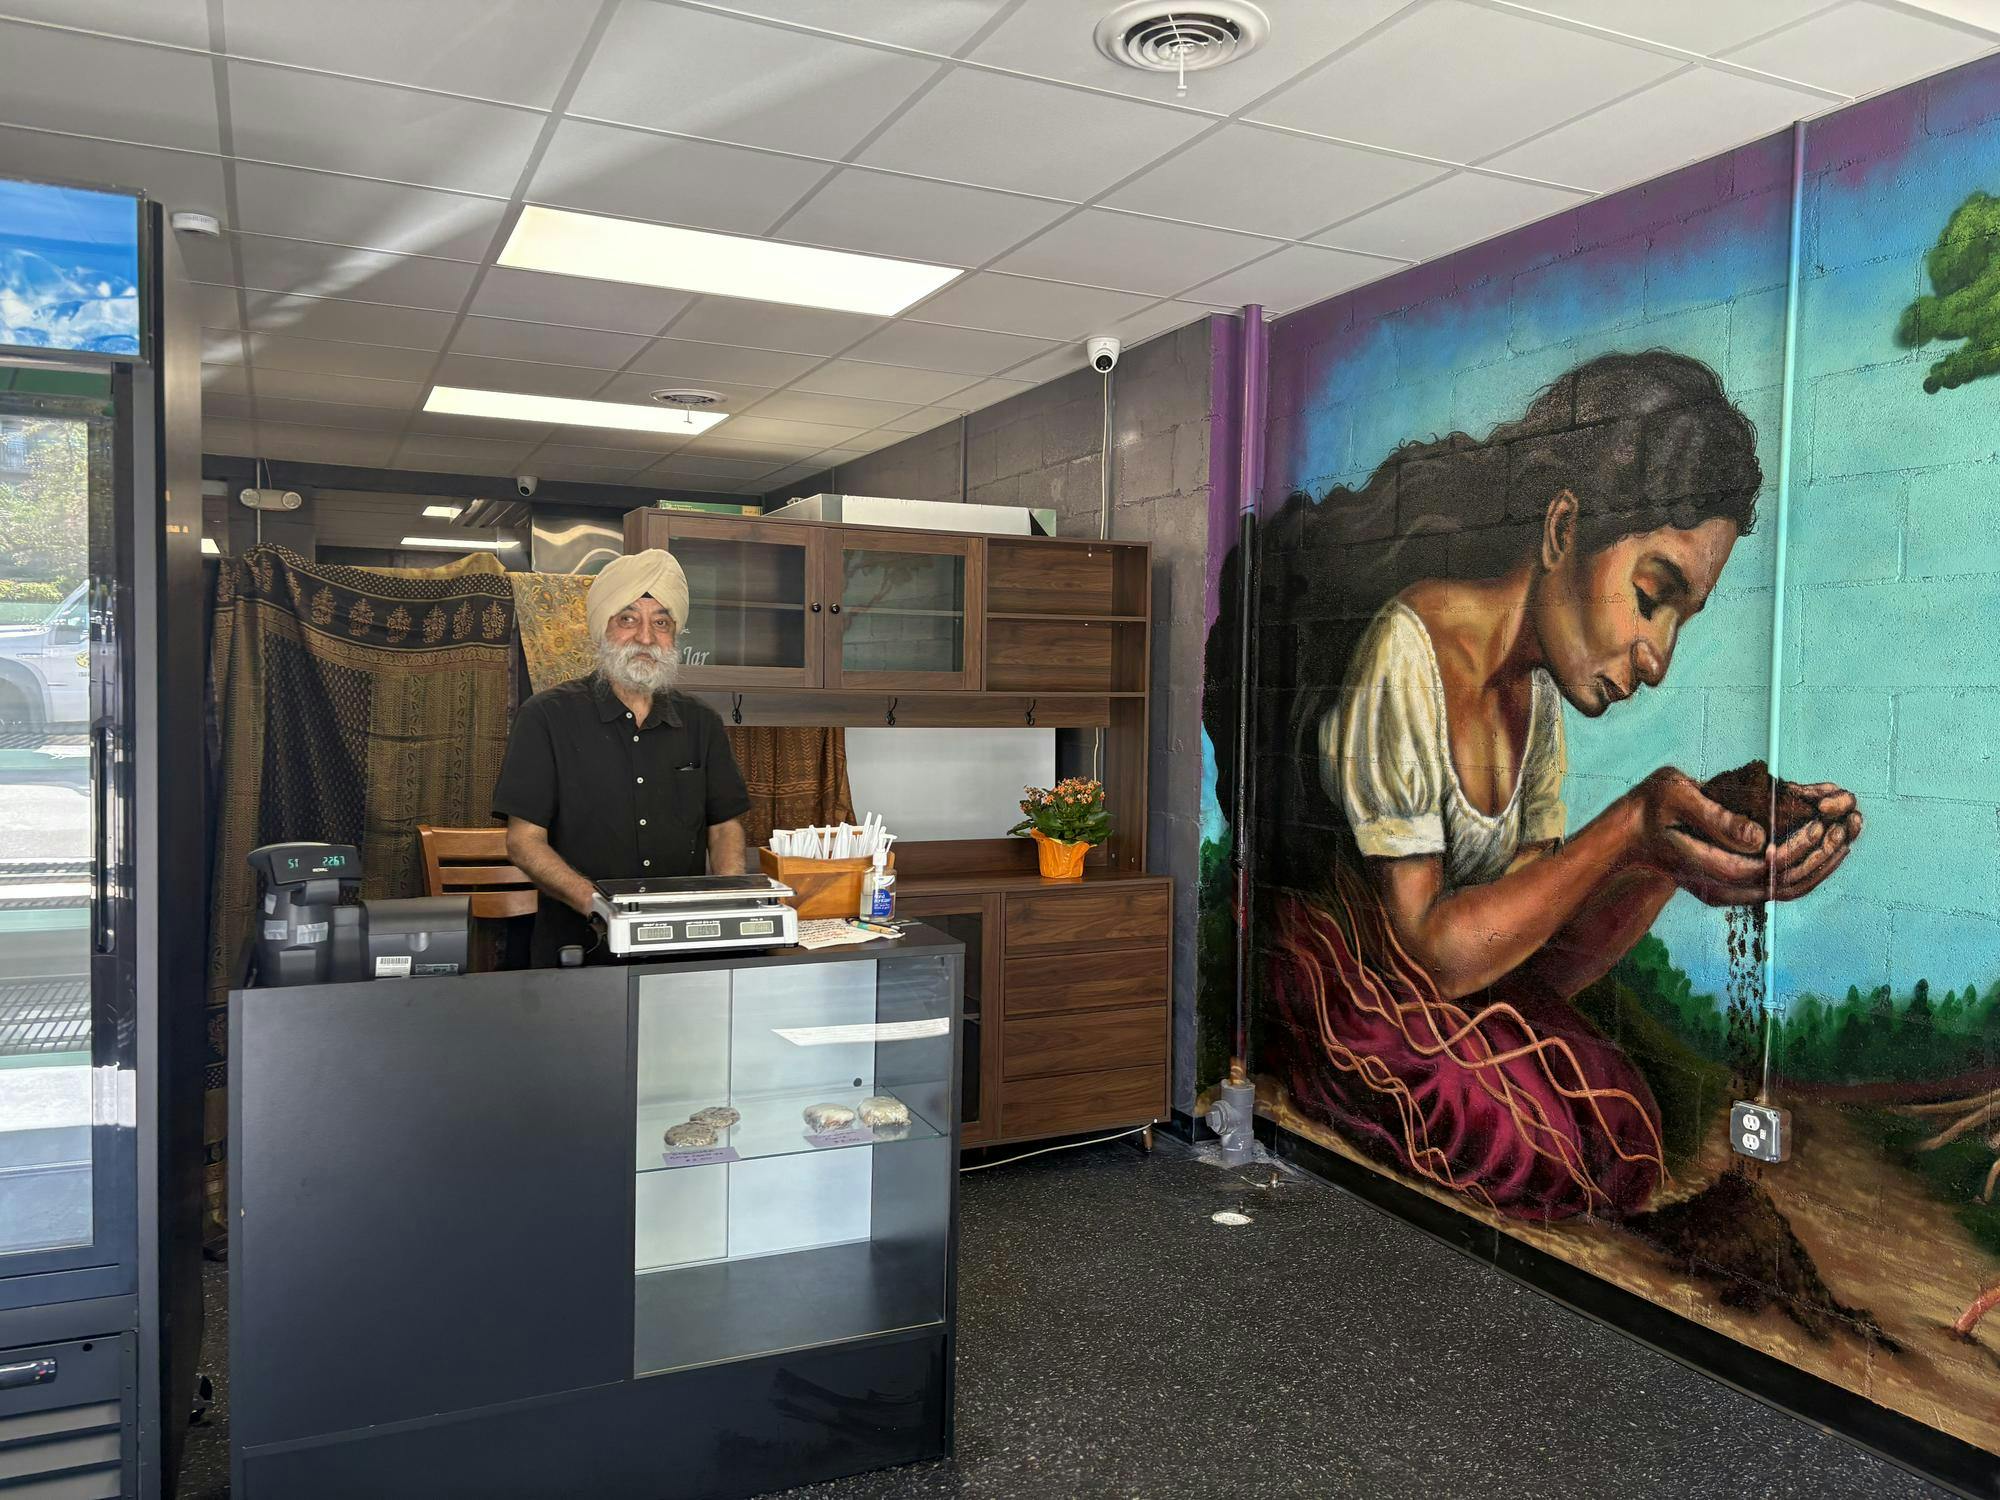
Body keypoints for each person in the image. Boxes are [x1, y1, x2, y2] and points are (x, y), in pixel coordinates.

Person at [1209, 351, 1862, 1220]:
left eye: (1681, 621)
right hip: (1365, 989)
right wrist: (1630, 825)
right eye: (1650, 596)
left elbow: (1537, 962)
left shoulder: (1539, 702)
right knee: (1535, 1142)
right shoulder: (1408, 652)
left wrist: (1671, 862)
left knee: (1618, 1122)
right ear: (1561, 530)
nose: (1659, 660)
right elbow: (1434, 957)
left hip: (1454, 990)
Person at [492, 549, 750, 966]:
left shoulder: (702, 722)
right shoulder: (545, 717)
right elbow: (523, 842)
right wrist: (601, 907)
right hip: (578, 949)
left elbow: (724, 829)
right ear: (602, 630)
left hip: (679, 950)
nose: (646, 638)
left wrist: (728, 904)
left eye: (661, 623)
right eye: (628, 619)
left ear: (675, 635)